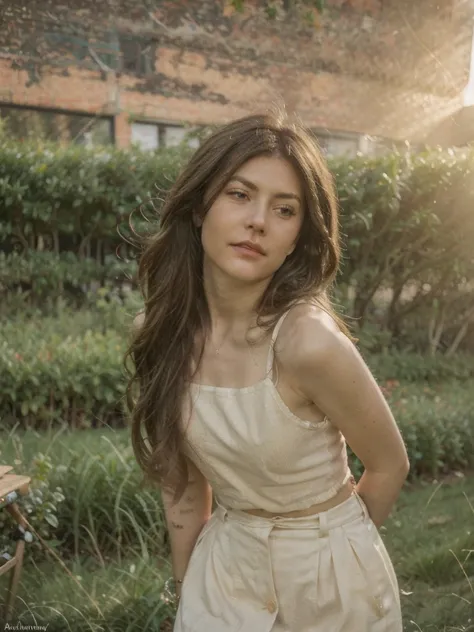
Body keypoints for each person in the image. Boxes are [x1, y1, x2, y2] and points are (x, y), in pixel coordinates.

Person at [127, 111, 410, 632]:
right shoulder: (160, 332)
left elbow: (390, 466)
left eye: (284, 209)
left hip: (331, 582)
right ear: (198, 208)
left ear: (298, 236)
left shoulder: (308, 344)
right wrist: (189, 594)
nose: (258, 220)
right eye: (239, 194)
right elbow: (184, 486)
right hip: (223, 570)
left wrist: (338, 553)